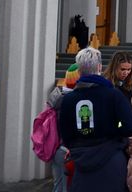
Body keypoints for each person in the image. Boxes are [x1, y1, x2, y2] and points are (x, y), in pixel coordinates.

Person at [58, 47, 132, 192]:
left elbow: (65, 134)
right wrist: (114, 131)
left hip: (81, 160)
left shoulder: (69, 99)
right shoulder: (113, 95)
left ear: (79, 69)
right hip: (111, 159)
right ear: (99, 67)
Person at [46, 64, 80, 192]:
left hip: (56, 146)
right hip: (67, 148)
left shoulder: (58, 96)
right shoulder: (72, 101)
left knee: (58, 184)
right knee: (69, 186)